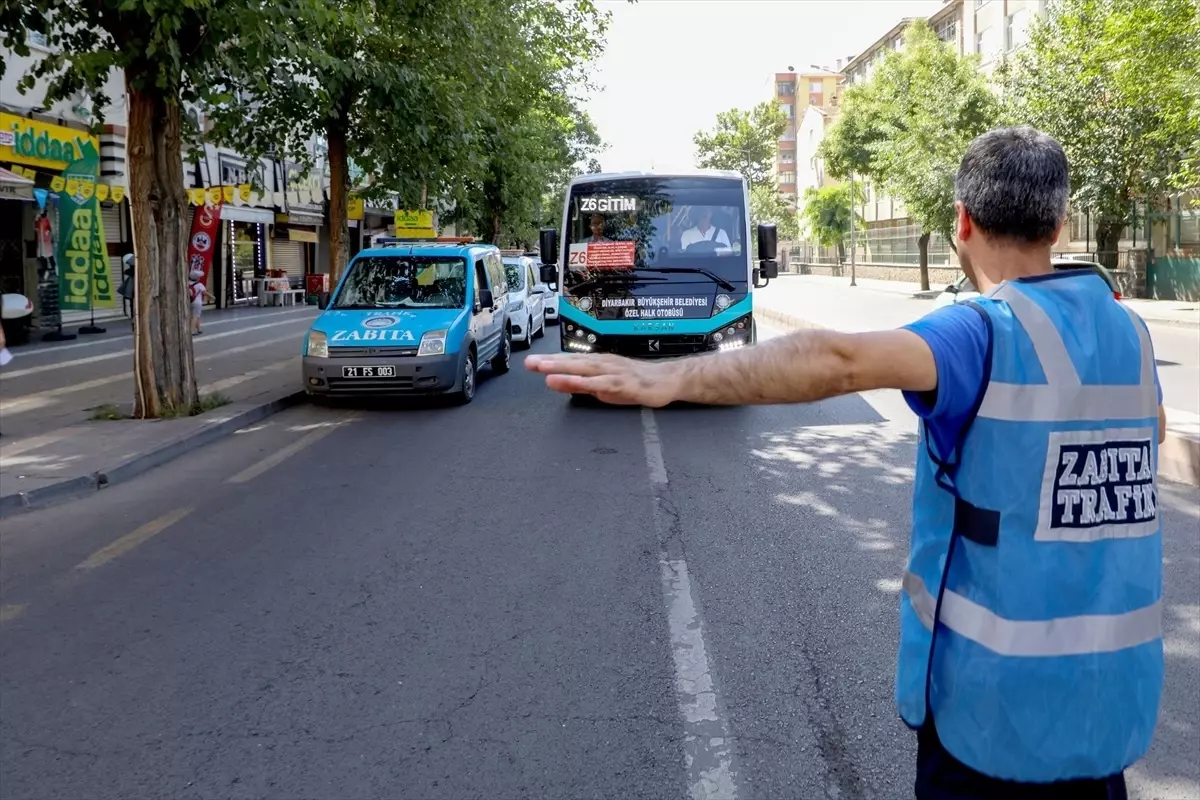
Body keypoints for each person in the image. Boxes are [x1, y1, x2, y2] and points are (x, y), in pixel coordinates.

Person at [528, 126, 1166, 799]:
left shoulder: (979, 331)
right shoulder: (1130, 334)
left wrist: (670, 377)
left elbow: (838, 360)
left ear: (963, 220)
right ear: (1060, 223)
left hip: (993, 727)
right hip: (1106, 719)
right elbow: (1135, 442)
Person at [188, 268, 210, 336]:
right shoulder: (200, 284)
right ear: (197, 278)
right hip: (197, 302)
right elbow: (205, 293)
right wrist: (212, 297)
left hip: (190, 301)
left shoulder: (187, 282)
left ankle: (199, 329)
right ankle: (191, 331)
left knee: (196, 315)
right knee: (195, 316)